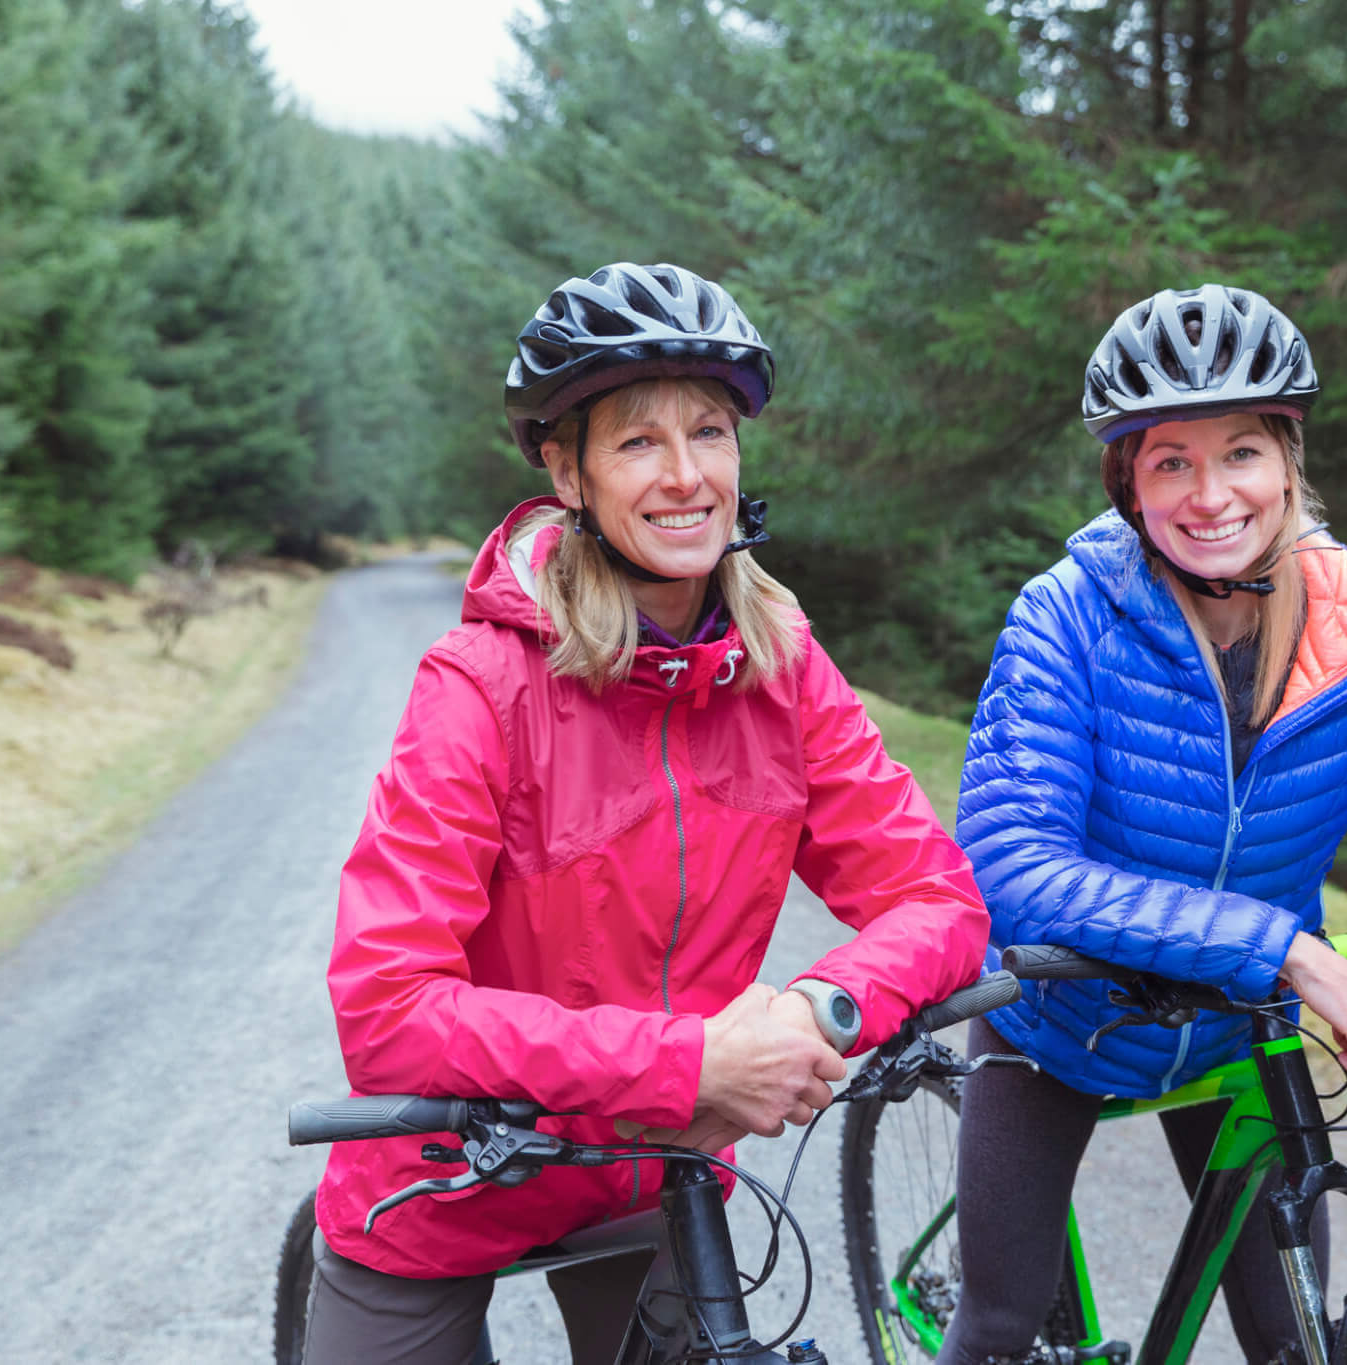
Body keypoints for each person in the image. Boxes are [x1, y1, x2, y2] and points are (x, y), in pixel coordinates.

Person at [304, 261, 989, 1364]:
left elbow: (936, 901)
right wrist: (685, 1068)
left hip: (659, 1177)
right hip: (448, 1181)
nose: (684, 477)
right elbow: (387, 1011)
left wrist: (822, 1011)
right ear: (566, 473)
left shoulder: (782, 665)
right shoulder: (479, 685)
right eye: (636, 442)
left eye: (709, 432)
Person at [943, 284, 1347, 1363]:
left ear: (1287, 463)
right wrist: (1283, 948)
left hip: (1232, 1030)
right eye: (1171, 462)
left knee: (1292, 1340)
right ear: (1128, 485)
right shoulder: (1062, 618)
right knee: (999, 1326)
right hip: (1061, 1026)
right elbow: (1015, 866)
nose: (1211, 495)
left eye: (1241, 452)